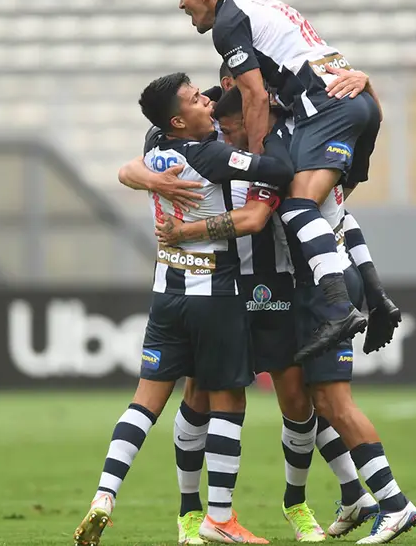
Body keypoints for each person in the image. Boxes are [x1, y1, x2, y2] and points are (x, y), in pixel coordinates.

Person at [151, 85, 416, 545]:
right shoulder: (211, 142)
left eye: (230, 124)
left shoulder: (287, 156)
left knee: (305, 400)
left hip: (284, 289)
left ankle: (311, 502)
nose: (224, 130)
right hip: (222, 288)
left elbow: (308, 219)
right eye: (216, 118)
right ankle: (192, 514)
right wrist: (141, 175)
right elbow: (152, 145)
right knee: (202, 393)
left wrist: (184, 230)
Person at [74, 72, 292, 546]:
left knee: (145, 400)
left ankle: (104, 495)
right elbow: (276, 173)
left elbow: (127, 169)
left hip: (167, 292)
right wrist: (265, 150)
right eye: (195, 99)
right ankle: (220, 518)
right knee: (228, 400)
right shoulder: (211, 154)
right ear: (178, 119)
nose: (205, 102)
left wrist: (151, 178)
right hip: (215, 293)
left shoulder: (156, 144)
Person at [178, 0, 391, 363]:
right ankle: (376, 296)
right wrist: (367, 86)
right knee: (328, 206)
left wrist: (256, 163)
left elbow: (255, 95)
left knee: (297, 205)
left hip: (326, 108)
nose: (182, 3)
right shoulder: (262, 4)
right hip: (358, 102)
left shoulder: (228, 23)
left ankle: (339, 308)